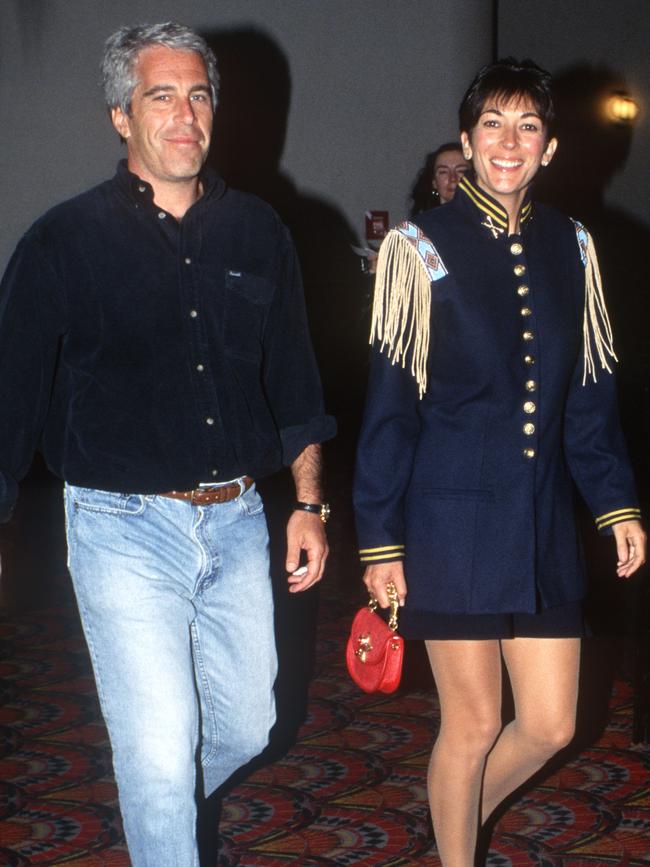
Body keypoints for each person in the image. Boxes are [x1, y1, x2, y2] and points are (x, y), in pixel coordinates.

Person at [0, 21, 335, 867]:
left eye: (199, 95)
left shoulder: (260, 232)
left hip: (236, 519)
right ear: (121, 114)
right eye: (161, 96)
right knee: (156, 755)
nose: (185, 115)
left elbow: (295, 384)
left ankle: (163, 823)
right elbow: (8, 396)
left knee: (249, 724)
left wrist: (308, 504)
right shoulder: (61, 241)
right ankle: (163, 828)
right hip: (119, 525)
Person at [354, 58, 646, 866]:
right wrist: (380, 543)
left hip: (541, 523)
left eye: (528, 126)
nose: (509, 142)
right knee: (474, 723)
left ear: (549, 147)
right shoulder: (419, 249)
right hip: (448, 528)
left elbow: (588, 395)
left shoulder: (573, 246)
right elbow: (389, 413)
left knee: (552, 722)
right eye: (493, 125)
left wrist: (614, 501)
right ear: (467, 139)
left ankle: (452, 818)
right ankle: (456, 853)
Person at [409, 141, 470, 217]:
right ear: (434, 182)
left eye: (461, 171)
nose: (452, 178)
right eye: (443, 172)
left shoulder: (487, 222)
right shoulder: (420, 225)